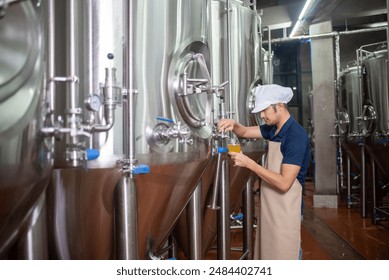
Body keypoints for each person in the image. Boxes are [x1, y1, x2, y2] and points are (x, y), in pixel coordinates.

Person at [218, 84, 310, 260]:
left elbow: (284, 183)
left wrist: (250, 164)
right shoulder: (273, 129)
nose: (261, 115)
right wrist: (234, 124)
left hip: (286, 210)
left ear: (280, 107)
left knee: (285, 257)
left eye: (265, 110)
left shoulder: (295, 136)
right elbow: (244, 132)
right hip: (269, 207)